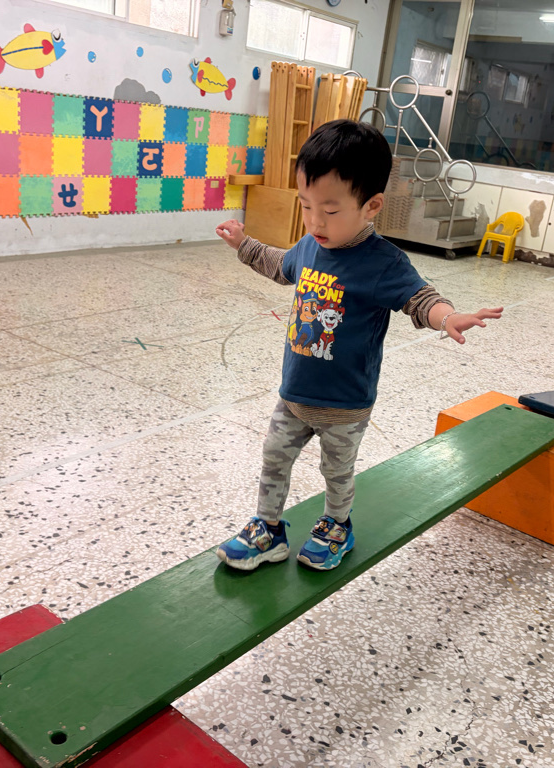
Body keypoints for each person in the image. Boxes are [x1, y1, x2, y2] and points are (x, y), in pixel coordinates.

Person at [213, 119, 503, 572]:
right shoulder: (310, 245)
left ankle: (336, 525)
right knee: (274, 457)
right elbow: (279, 264)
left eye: (330, 210)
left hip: (345, 403)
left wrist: (447, 317)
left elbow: (420, 298)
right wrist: (243, 244)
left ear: (371, 206)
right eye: (306, 205)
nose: (315, 221)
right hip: (294, 395)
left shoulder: (383, 263)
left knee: (336, 471)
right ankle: (268, 529)